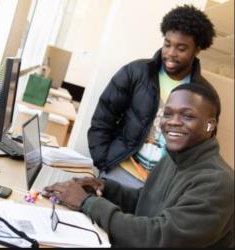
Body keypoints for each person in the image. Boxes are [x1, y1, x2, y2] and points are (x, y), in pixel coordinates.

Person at [43, 83, 234, 248]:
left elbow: (159, 237)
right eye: (168, 114)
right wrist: (106, 188)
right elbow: (144, 201)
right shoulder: (174, 157)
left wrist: (87, 203)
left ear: (210, 126)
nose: (173, 122)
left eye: (187, 116)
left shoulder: (218, 182)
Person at [87, 4, 218, 186]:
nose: (170, 53)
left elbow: (203, 148)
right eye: (167, 44)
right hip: (120, 171)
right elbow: (103, 119)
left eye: (181, 48)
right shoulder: (135, 73)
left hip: (162, 188)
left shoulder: (204, 95)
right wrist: (103, 161)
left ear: (197, 49)